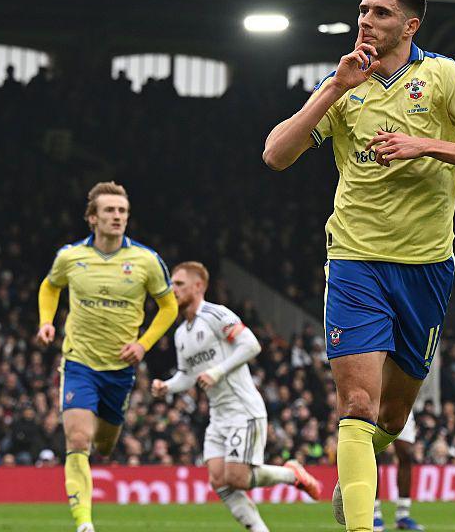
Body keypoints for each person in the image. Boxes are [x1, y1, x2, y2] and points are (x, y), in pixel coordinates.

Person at [263, 0, 455, 532]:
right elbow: (276, 155)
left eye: (380, 12)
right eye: (362, 11)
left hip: (426, 268)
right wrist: (333, 89)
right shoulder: (342, 84)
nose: (366, 20)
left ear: (410, 26)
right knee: (357, 404)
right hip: (355, 261)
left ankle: (354, 471)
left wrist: (425, 144)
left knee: (393, 417)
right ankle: (362, 523)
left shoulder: (445, 76)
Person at [36, 181, 179, 532]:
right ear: (92, 218)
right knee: (78, 440)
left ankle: (105, 438)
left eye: (122, 211)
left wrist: (143, 344)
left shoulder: (146, 261)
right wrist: (46, 322)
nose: (117, 216)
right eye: (110, 210)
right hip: (79, 362)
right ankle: (84, 523)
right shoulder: (71, 257)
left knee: (104, 445)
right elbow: (50, 286)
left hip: (120, 368)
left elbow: (169, 306)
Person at [151, 261, 322, 532]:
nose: (173, 289)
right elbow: (187, 375)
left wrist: (218, 371)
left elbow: (251, 344)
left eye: (180, 284)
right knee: (219, 479)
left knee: (237, 478)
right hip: (218, 415)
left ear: (199, 286)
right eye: (172, 283)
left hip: (243, 409)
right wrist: (167, 387)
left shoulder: (216, 314)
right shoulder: (181, 333)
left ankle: (292, 474)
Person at [374, 414, 424, 531]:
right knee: (373, 453)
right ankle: (374, 513)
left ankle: (403, 514)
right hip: (376, 405)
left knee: (406, 453)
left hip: (403, 406)